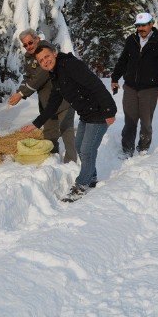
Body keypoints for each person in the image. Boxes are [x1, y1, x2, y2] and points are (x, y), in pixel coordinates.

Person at [21, 43, 117, 202]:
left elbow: (96, 84)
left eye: (47, 56)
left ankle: (81, 185)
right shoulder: (55, 74)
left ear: (54, 53)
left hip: (99, 112)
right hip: (86, 114)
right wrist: (36, 123)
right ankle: (91, 177)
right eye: (41, 60)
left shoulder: (70, 65)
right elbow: (53, 102)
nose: (45, 61)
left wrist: (109, 111)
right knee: (79, 146)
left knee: (86, 150)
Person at [7, 29, 77, 163]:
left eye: (30, 42)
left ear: (37, 39)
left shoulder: (46, 50)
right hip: (46, 102)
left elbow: (41, 76)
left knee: (66, 130)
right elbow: (28, 77)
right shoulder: (28, 57)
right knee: (49, 133)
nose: (28, 46)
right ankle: (52, 159)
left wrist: (21, 94)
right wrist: (19, 91)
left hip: (63, 99)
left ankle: (71, 162)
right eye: (25, 45)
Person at [110, 12, 158, 157]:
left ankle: (143, 148)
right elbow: (123, 60)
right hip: (130, 86)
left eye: (144, 25)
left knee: (146, 122)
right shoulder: (131, 40)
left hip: (149, 89)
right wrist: (115, 78)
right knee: (130, 121)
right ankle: (127, 150)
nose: (141, 29)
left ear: (151, 25)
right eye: (138, 26)